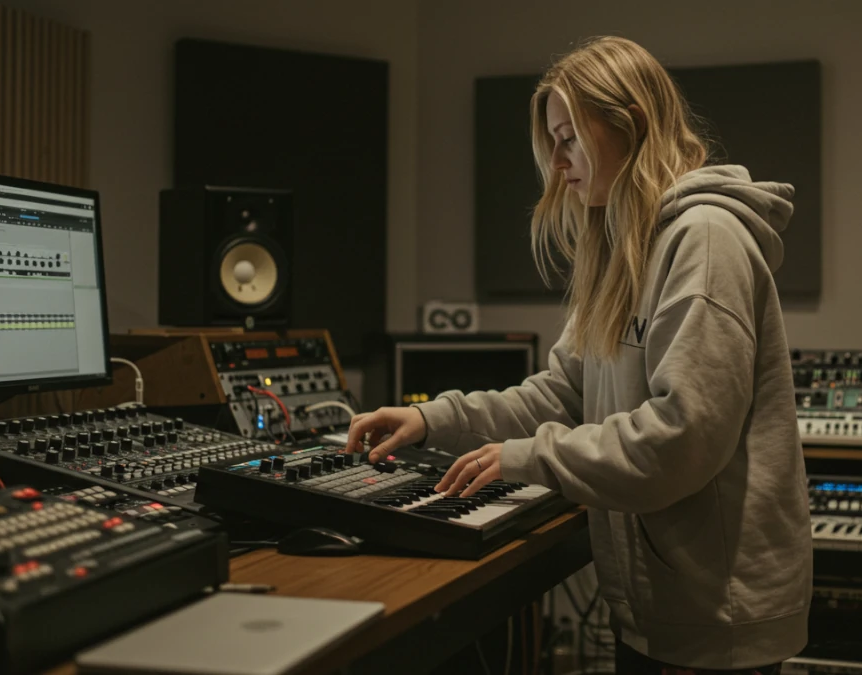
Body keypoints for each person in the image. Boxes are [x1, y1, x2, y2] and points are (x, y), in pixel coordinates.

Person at [345, 36, 811, 675]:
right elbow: (560, 392)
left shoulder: (704, 240)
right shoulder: (624, 248)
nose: (558, 164)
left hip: (714, 617)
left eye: (568, 138)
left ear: (627, 123)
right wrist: (434, 419)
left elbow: (683, 438)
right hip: (660, 608)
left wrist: (527, 457)